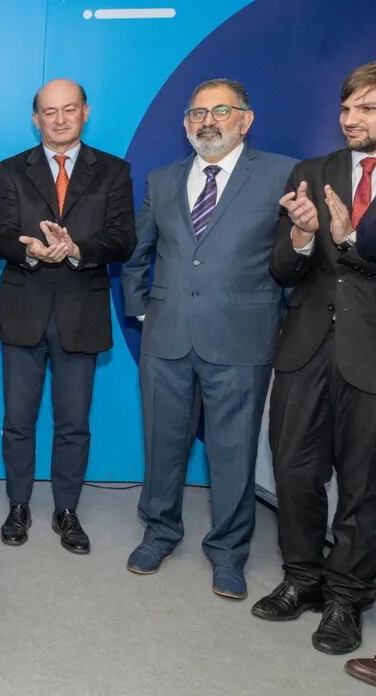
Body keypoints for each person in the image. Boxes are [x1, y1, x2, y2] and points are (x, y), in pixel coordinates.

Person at [121, 79, 296, 599]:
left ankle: (228, 552)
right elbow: (137, 254)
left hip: (242, 338)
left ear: (246, 118)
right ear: (185, 124)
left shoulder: (283, 173)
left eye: (221, 110)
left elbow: (294, 257)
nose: (208, 121)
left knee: (233, 451)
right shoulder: (162, 178)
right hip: (166, 336)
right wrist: (142, 313)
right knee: (162, 444)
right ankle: (159, 532)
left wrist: (281, 320)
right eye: (197, 113)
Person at [258, 61, 376, 655]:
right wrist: (303, 237)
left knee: (363, 480)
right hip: (305, 347)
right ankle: (302, 578)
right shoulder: (312, 172)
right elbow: (283, 268)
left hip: (371, 353)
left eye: (367, 109)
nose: (350, 120)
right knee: (294, 468)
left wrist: (350, 239)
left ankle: (347, 596)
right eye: (346, 108)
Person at [0, 78, 135, 554]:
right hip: (23, 309)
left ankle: (66, 510)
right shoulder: (11, 170)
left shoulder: (113, 171)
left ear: (85, 112)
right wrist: (28, 251)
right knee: (18, 420)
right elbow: (0, 234)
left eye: (68, 109)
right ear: (36, 119)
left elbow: (123, 239)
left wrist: (78, 250)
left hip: (81, 312)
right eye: (49, 111)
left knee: (74, 421)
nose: (58, 119)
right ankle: (18, 504)